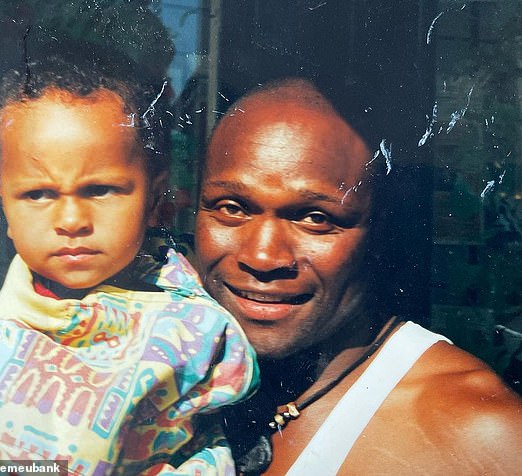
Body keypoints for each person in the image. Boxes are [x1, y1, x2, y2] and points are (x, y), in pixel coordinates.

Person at [0, 52, 258, 475]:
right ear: (5, 209)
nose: (71, 222)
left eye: (100, 189)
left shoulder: (193, 332)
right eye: (39, 195)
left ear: (156, 199)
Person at [194, 78, 522, 475]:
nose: (263, 256)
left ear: (379, 232)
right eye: (232, 208)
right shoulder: (150, 368)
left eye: (316, 219)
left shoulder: (475, 431)